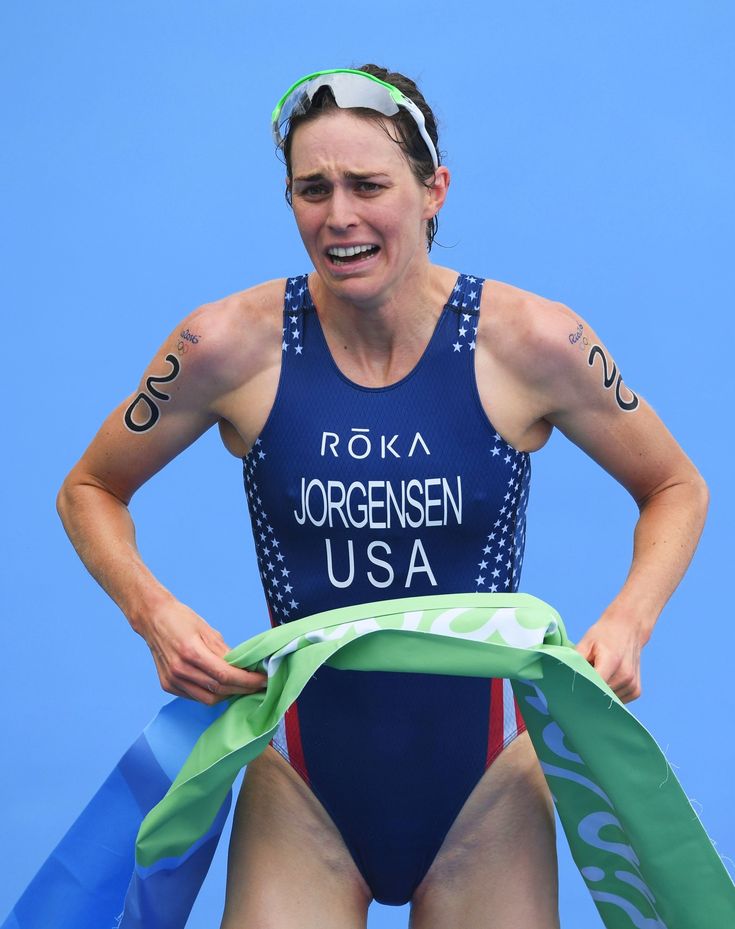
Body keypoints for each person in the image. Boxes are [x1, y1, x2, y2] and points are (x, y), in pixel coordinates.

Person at [56, 65, 709, 929]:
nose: (339, 217)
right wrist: (153, 612)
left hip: (485, 786)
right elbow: (89, 488)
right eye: (311, 189)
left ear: (433, 190)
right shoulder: (225, 344)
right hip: (300, 783)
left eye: (369, 185)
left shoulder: (534, 342)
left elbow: (674, 485)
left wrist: (630, 617)